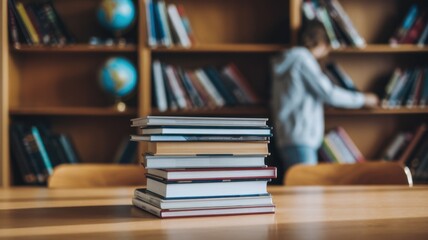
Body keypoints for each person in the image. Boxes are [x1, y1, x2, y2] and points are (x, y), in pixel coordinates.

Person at [270, 20, 379, 175]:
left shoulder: (287, 60)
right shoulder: (303, 59)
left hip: (287, 137)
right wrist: (364, 99)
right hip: (302, 139)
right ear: (322, 43)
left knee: (298, 190)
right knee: (305, 193)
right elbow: (329, 93)